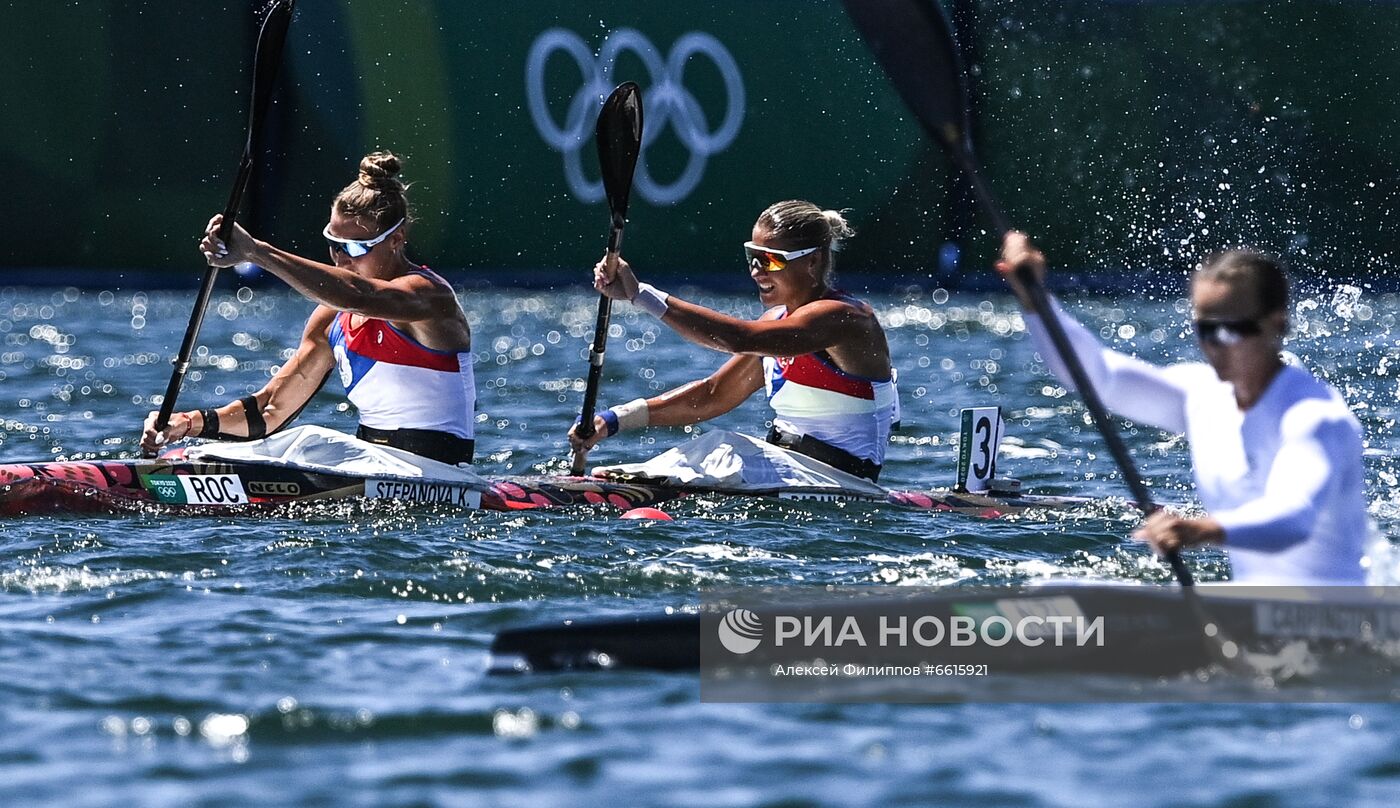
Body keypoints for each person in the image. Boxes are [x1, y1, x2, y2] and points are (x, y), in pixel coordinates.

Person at [997, 231, 1368, 584]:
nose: (1215, 346)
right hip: (1259, 613)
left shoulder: (1316, 417)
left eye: (1229, 331)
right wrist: (1036, 302)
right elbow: (1098, 377)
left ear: (1278, 324)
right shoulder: (1202, 396)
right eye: (1204, 330)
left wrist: (1200, 529)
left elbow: (1294, 518)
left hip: (1341, 622)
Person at [141, 152, 476, 465]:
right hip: (369, 468)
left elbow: (361, 296)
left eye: (357, 247)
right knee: (215, 452)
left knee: (309, 441)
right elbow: (269, 410)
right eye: (334, 244)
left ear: (397, 238)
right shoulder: (330, 320)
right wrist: (184, 423)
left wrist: (257, 252)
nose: (342, 258)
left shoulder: (430, 298)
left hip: (441, 473)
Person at [568, 200, 898, 481]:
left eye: (770, 260)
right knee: (714, 446)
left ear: (812, 261)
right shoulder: (775, 323)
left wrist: (641, 295)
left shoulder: (846, 318)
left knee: (722, 449)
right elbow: (713, 395)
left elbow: (737, 338)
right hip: (789, 469)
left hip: (841, 480)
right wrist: (613, 420)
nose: (756, 271)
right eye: (753, 257)